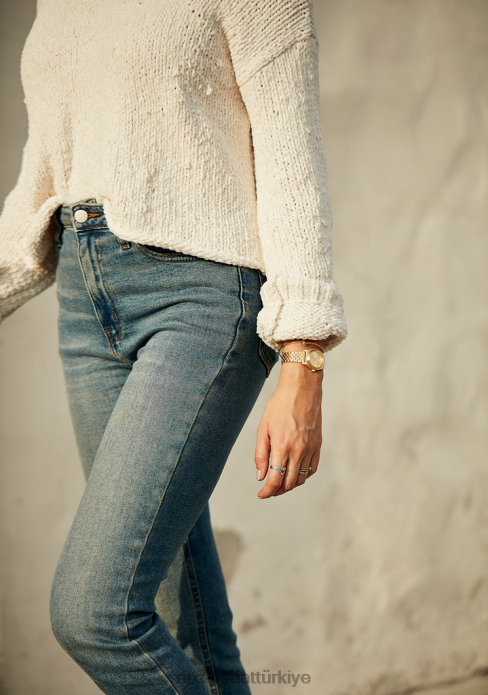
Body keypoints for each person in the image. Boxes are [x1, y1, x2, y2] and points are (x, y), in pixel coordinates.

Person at [0, 0, 347, 693]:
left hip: (201, 298)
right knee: (175, 613)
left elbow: (292, 161)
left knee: (96, 613)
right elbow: (48, 161)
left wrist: (303, 358)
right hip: (83, 298)